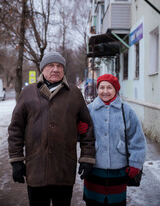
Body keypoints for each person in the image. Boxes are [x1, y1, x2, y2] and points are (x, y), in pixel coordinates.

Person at [8, 51, 95, 206]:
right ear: (43, 69)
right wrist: (16, 161)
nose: (55, 69)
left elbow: (87, 128)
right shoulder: (28, 93)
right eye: (50, 65)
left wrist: (87, 158)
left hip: (64, 168)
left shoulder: (74, 93)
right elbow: (16, 129)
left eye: (59, 66)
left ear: (63, 69)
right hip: (36, 168)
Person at [82, 74, 146, 206]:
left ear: (116, 89)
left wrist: (135, 163)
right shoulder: (89, 110)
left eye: (109, 87)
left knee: (116, 203)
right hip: (94, 168)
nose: (105, 91)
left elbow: (137, 139)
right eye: (102, 87)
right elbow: (82, 138)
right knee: (93, 202)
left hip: (118, 170)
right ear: (97, 89)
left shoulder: (126, 111)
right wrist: (79, 129)